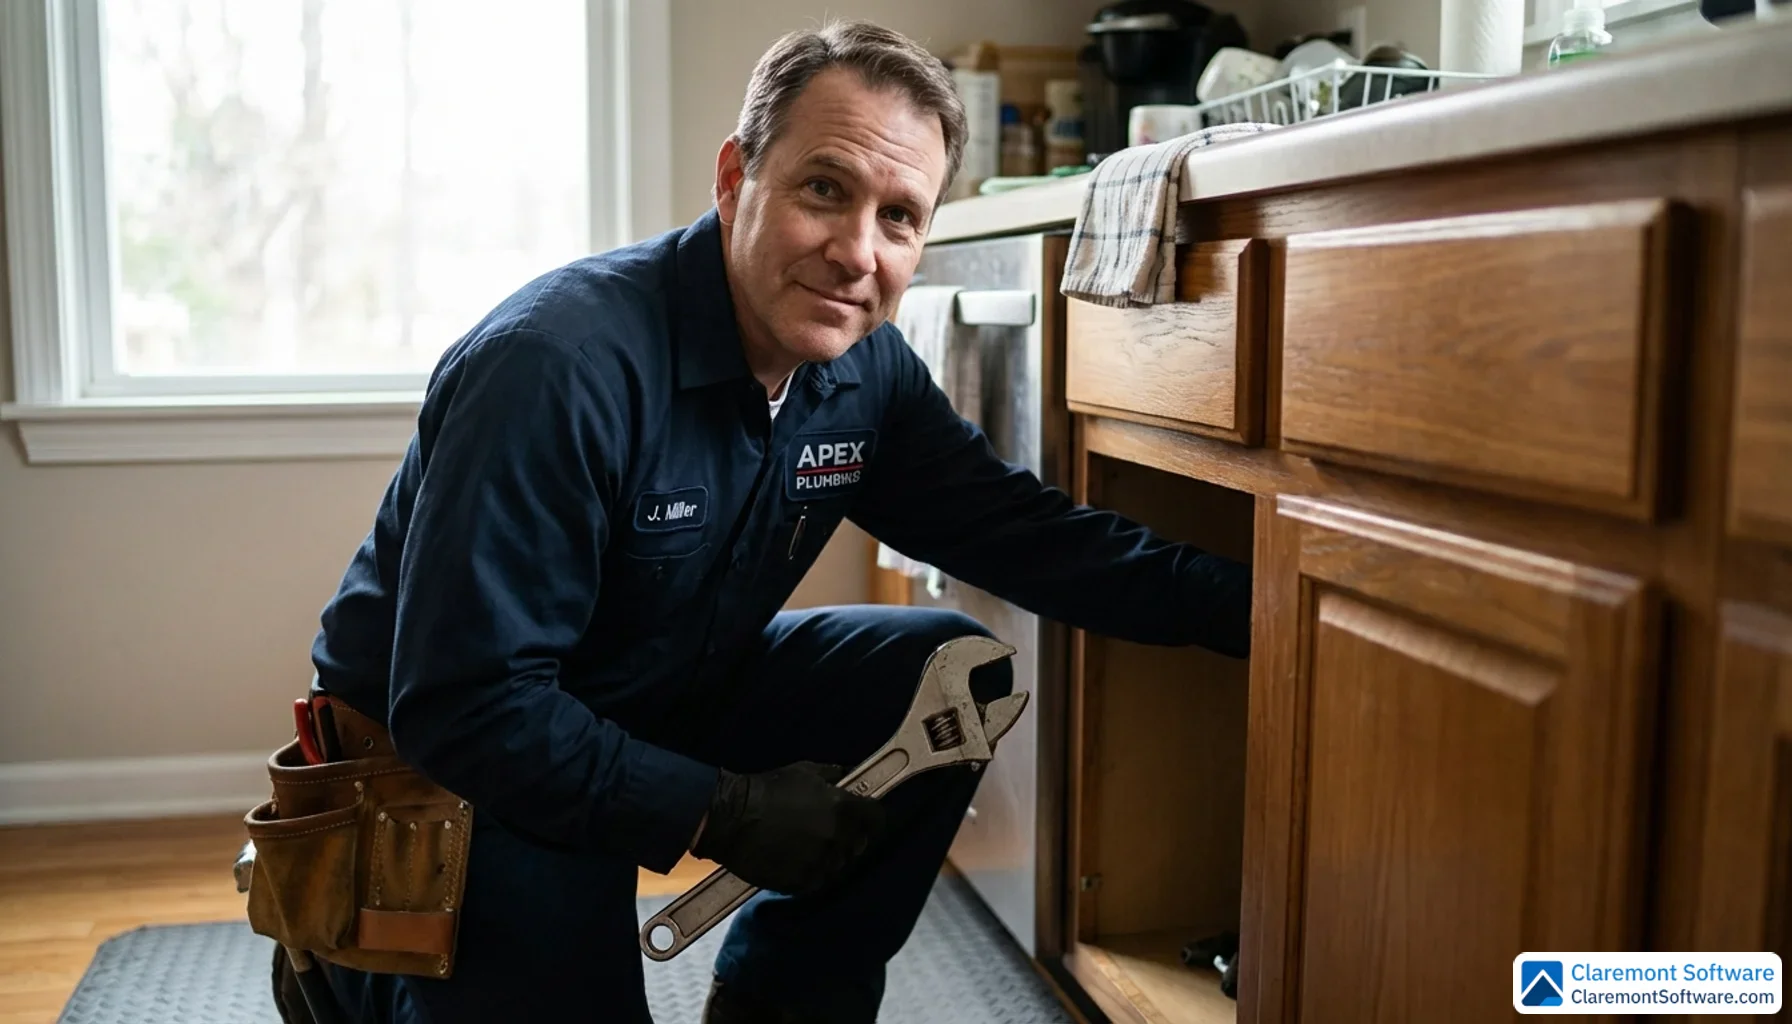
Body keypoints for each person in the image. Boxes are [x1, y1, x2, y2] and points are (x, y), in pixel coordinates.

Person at [305, 19, 1250, 1024]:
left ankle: (778, 1004)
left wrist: (1253, 606)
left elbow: (1024, 532)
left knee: (939, 672)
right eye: (824, 190)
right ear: (734, 177)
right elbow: (465, 708)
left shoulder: (861, 373)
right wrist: (722, 808)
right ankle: (351, 982)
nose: (856, 253)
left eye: (899, 217)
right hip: (445, 779)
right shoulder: (556, 367)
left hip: (646, 695)